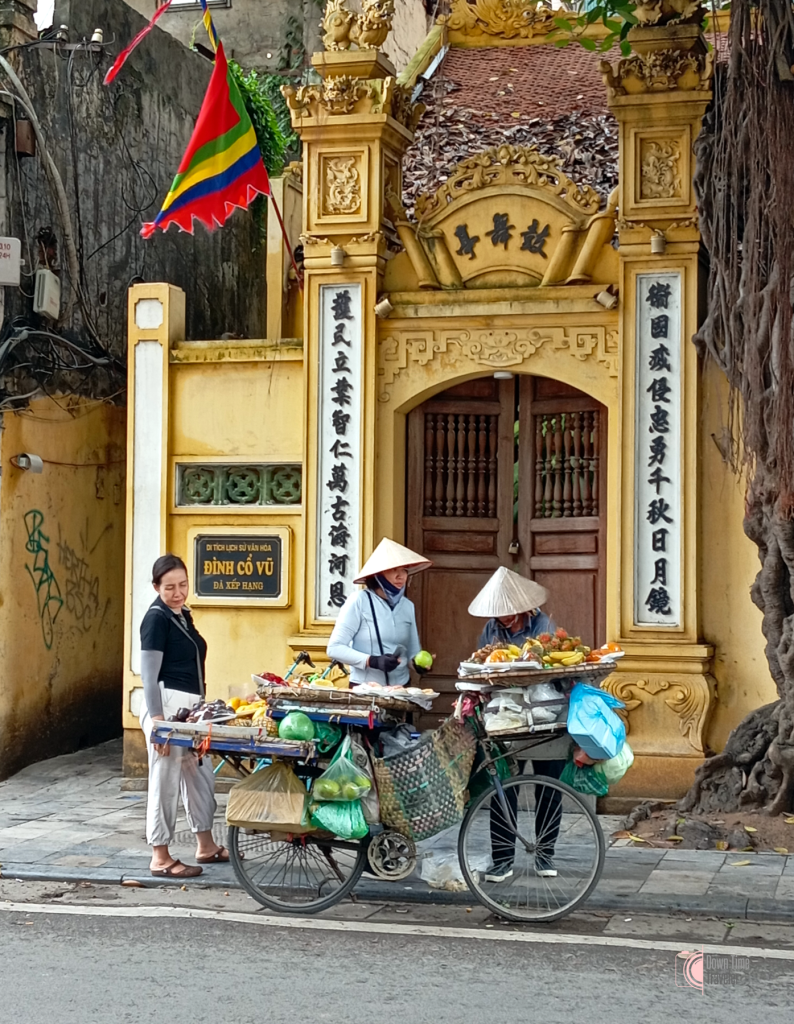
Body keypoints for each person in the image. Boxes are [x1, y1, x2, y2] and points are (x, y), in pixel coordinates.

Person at [468, 565, 570, 882]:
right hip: (507, 715)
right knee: (502, 788)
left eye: (509, 613)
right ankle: (502, 859)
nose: (504, 619)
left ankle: (545, 854)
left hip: (545, 713)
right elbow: (484, 667)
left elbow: (553, 669)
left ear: (524, 607)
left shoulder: (544, 625)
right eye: (499, 614)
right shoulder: (491, 630)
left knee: (548, 786)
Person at [139, 553, 228, 878]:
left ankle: (205, 844)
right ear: (156, 587)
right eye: (169, 588)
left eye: (182, 585)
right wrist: (159, 722)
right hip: (167, 707)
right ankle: (160, 856)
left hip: (189, 711)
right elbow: (149, 675)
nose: (177, 592)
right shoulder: (156, 618)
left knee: (201, 775)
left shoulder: (181, 615)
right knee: (165, 780)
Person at [327, 538, 432, 687]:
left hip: (400, 690)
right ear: (378, 574)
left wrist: (418, 665)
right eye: (393, 569)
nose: (400, 576)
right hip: (366, 691)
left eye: (404, 570)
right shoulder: (358, 601)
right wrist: (372, 661)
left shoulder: (408, 606)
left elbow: (412, 653)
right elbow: (334, 648)